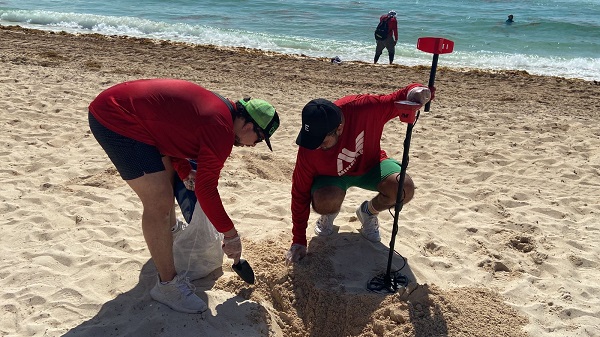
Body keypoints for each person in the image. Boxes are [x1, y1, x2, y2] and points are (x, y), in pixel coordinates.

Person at [88, 78, 280, 313]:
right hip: (116, 118)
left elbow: (170, 134)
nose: (253, 146)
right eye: (259, 140)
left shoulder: (220, 111)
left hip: (131, 114)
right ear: (250, 127)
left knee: (166, 185)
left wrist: (183, 170)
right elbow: (206, 190)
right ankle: (167, 286)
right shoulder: (220, 130)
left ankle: (170, 233)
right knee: (159, 202)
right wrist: (230, 235)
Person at [285, 83, 433, 264]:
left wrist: (418, 92)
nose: (317, 146)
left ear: (339, 128)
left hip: (370, 165)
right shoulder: (309, 147)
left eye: (322, 141)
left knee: (404, 188)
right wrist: (298, 240)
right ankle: (329, 214)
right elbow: (299, 193)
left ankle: (368, 212)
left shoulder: (363, 108)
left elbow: (400, 97)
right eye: (312, 141)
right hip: (331, 177)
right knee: (326, 200)